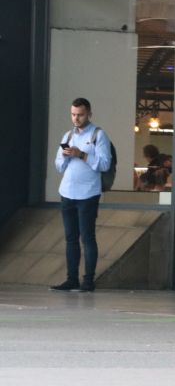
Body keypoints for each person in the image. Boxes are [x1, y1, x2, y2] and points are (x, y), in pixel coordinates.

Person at [50, 97, 113, 292]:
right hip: (67, 191)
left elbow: (104, 164)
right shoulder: (68, 135)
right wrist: (66, 156)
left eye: (80, 115)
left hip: (88, 193)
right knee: (70, 238)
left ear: (89, 114)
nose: (76, 118)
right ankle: (71, 279)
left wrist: (82, 155)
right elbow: (59, 166)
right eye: (73, 114)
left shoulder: (98, 135)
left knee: (87, 237)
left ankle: (88, 280)